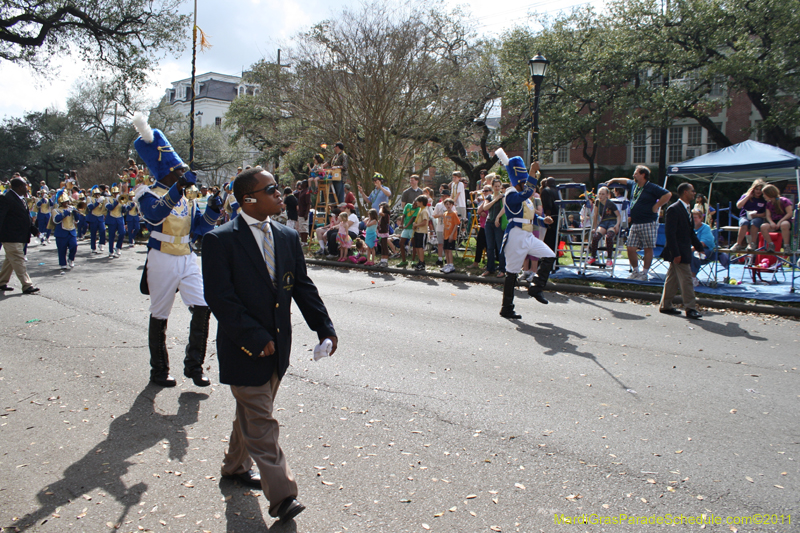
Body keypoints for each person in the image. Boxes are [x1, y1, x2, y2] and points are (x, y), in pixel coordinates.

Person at [201, 168, 337, 524]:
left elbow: (303, 288)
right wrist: (254, 337)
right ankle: (283, 497)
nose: (281, 194)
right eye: (272, 189)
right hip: (244, 347)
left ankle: (234, 467)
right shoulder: (220, 240)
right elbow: (221, 298)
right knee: (262, 421)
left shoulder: (288, 237)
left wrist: (325, 329)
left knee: (251, 412)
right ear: (248, 199)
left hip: (279, 348)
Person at [132, 112, 223, 388]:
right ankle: (159, 370)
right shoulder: (146, 193)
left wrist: (214, 211)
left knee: (204, 307)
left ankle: (194, 366)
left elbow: (198, 230)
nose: (182, 173)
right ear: (165, 171)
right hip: (161, 257)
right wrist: (178, 189)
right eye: (178, 170)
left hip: (187, 258)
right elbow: (156, 216)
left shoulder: (186, 197)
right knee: (160, 313)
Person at [494, 149, 554, 317]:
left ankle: (536, 287)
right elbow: (528, 191)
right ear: (518, 181)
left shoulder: (526, 199)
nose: (527, 184)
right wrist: (533, 172)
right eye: (524, 181)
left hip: (528, 235)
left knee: (550, 255)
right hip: (515, 236)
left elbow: (531, 218)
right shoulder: (510, 194)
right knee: (511, 273)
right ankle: (507, 308)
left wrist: (543, 221)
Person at [608, 166, 671, 281]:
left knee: (648, 248)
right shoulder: (634, 185)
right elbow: (625, 180)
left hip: (648, 222)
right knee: (630, 247)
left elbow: (667, 195)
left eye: (636, 173)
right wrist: (613, 180)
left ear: (643, 175)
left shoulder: (651, 187)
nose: (634, 175)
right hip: (635, 223)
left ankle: (644, 273)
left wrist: (657, 206)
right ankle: (635, 271)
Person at [659, 183, 705, 319]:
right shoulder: (674, 209)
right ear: (685, 192)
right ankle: (690, 308)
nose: (694, 193)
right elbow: (670, 233)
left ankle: (665, 305)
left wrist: (700, 247)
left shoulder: (687, 209)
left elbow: (690, 232)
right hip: (679, 251)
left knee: (672, 279)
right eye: (692, 191)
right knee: (686, 280)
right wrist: (676, 253)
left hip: (683, 250)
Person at [0, 176, 40, 294]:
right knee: (18, 259)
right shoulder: (6, 199)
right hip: (10, 236)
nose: (27, 188)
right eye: (25, 186)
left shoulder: (21, 199)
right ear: (19, 187)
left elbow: (26, 217)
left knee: (10, 260)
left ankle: (1, 282)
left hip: (20, 236)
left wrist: (33, 229)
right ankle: (27, 285)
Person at [690, 209, 728, 287]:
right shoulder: (688, 228)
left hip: (707, 252)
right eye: (691, 217)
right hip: (691, 250)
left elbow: (703, 243)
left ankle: (693, 278)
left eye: (695, 217)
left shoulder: (705, 228)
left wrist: (689, 249)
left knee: (695, 254)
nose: (693, 219)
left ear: (701, 218)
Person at [587, 186, 620, 267]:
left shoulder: (610, 203)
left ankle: (609, 258)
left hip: (612, 221)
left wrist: (617, 224)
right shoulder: (597, 202)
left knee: (609, 237)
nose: (601, 196)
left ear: (607, 195)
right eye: (599, 194)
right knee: (596, 237)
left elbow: (618, 215)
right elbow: (595, 215)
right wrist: (595, 227)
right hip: (603, 222)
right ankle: (593, 256)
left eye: (603, 194)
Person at [730, 179, 767, 252]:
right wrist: (748, 196)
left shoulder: (764, 199)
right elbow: (738, 206)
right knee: (744, 223)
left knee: (754, 222)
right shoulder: (746, 196)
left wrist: (757, 215)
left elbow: (766, 213)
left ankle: (752, 243)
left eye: (760, 189)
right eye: (757, 189)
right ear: (753, 189)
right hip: (745, 216)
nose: (758, 191)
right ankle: (738, 244)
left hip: (758, 217)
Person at [480, 178, 506, 277]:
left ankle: (502, 269)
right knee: (490, 247)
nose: (497, 188)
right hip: (489, 223)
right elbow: (485, 207)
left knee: (500, 246)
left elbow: (504, 208)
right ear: (492, 186)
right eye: (495, 186)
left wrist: (498, 218)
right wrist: (495, 199)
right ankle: (490, 268)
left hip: (497, 224)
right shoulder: (489, 197)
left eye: (499, 186)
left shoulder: (503, 196)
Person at [760, 184, 794, 252]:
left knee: (784, 224)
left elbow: (789, 213)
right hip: (774, 221)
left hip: (785, 220)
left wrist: (780, 222)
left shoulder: (784, 201)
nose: (763, 196)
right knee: (763, 226)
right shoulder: (769, 204)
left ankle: (786, 246)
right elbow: (768, 215)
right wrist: (771, 222)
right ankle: (771, 244)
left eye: (764, 194)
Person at [52, 189, 78, 273]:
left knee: (74, 245)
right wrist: (66, 212)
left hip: (71, 230)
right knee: (62, 249)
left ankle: (71, 259)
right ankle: (63, 263)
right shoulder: (55, 210)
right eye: (64, 202)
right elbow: (56, 220)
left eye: (67, 201)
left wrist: (76, 213)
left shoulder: (71, 208)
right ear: (60, 202)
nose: (66, 203)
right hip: (61, 232)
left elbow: (77, 220)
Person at [396, 195, 420, 268]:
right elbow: (403, 215)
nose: (414, 206)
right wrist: (402, 224)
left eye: (416, 205)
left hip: (412, 228)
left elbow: (412, 218)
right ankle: (404, 260)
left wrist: (406, 226)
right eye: (414, 204)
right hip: (406, 228)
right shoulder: (408, 205)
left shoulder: (418, 209)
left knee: (414, 244)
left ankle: (413, 260)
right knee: (401, 243)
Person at [105, 186, 126, 258]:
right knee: (111, 235)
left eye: (117, 193)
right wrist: (116, 202)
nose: (116, 194)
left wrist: (124, 206)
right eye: (114, 193)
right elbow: (110, 208)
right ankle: (111, 251)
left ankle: (118, 247)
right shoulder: (108, 199)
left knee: (122, 233)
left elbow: (124, 211)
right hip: (112, 218)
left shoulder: (121, 199)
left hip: (119, 218)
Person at [86, 187, 108, 254]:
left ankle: (101, 243)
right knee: (93, 233)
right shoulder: (89, 198)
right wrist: (97, 202)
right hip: (93, 217)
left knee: (103, 230)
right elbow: (90, 207)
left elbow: (105, 207)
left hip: (100, 216)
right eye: (96, 194)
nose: (97, 195)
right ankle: (93, 247)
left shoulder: (102, 198)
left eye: (98, 193)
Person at [432, 189, 450, 267]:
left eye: (445, 196)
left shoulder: (451, 205)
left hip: (448, 227)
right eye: (443, 196)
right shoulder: (438, 205)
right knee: (440, 243)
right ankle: (440, 258)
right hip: (440, 226)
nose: (444, 198)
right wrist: (440, 215)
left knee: (447, 244)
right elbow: (434, 215)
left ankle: (447, 258)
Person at [441, 198, 459, 273]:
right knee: (446, 250)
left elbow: (456, 224)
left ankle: (451, 265)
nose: (448, 206)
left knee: (449, 250)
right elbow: (444, 224)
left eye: (450, 204)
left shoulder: (453, 214)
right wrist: (443, 232)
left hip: (451, 234)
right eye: (446, 204)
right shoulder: (445, 214)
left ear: (452, 205)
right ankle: (448, 264)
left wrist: (452, 235)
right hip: (446, 234)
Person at [411, 195, 429, 271]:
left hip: (422, 232)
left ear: (421, 202)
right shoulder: (420, 210)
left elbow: (425, 222)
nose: (416, 203)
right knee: (417, 247)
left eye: (418, 201)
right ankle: (419, 261)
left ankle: (422, 263)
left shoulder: (424, 211)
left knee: (420, 247)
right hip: (417, 231)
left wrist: (416, 225)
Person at [377, 202, 391, 268]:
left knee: (385, 247)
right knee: (382, 247)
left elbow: (380, 212)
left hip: (384, 233)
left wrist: (381, 208)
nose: (379, 209)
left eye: (381, 207)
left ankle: (385, 261)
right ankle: (382, 260)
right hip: (381, 232)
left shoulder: (386, 215)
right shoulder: (382, 217)